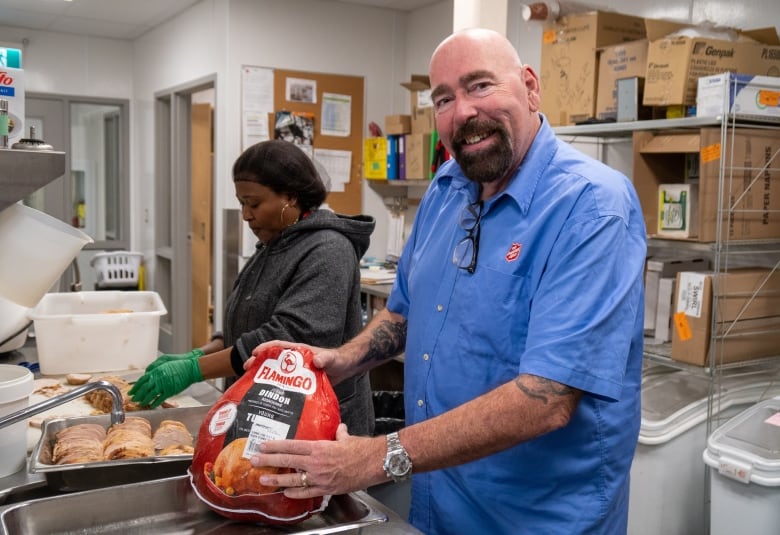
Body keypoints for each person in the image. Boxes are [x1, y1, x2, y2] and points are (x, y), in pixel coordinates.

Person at [248, 28, 647, 534]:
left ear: (529, 86)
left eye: (480, 85)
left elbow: (546, 399)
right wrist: (339, 361)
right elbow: (405, 313)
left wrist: (374, 458)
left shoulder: (591, 207)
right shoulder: (446, 189)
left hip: (535, 517)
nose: (462, 112)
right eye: (443, 98)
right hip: (439, 503)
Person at [129, 139, 377, 437]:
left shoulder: (328, 250)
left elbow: (283, 342)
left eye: (254, 203)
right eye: (242, 203)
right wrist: (197, 355)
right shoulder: (273, 245)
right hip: (269, 411)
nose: (246, 214)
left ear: (291, 198)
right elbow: (245, 325)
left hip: (320, 421)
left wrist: (196, 371)